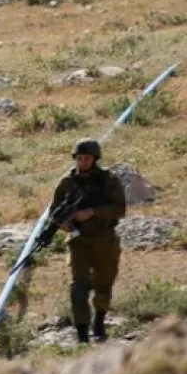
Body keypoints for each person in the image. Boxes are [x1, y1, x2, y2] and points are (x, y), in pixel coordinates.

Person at [40, 139, 127, 344]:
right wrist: (62, 225)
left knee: (104, 284)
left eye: (87, 158)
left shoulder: (108, 180)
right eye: (79, 158)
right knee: (78, 287)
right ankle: (81, 333)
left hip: (104, 239)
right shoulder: (66, 183)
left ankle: (99, 321)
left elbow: (120, 209)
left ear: (95, 159)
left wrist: (92, 212)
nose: (83, 162)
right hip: (78, 241)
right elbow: (54, 212)